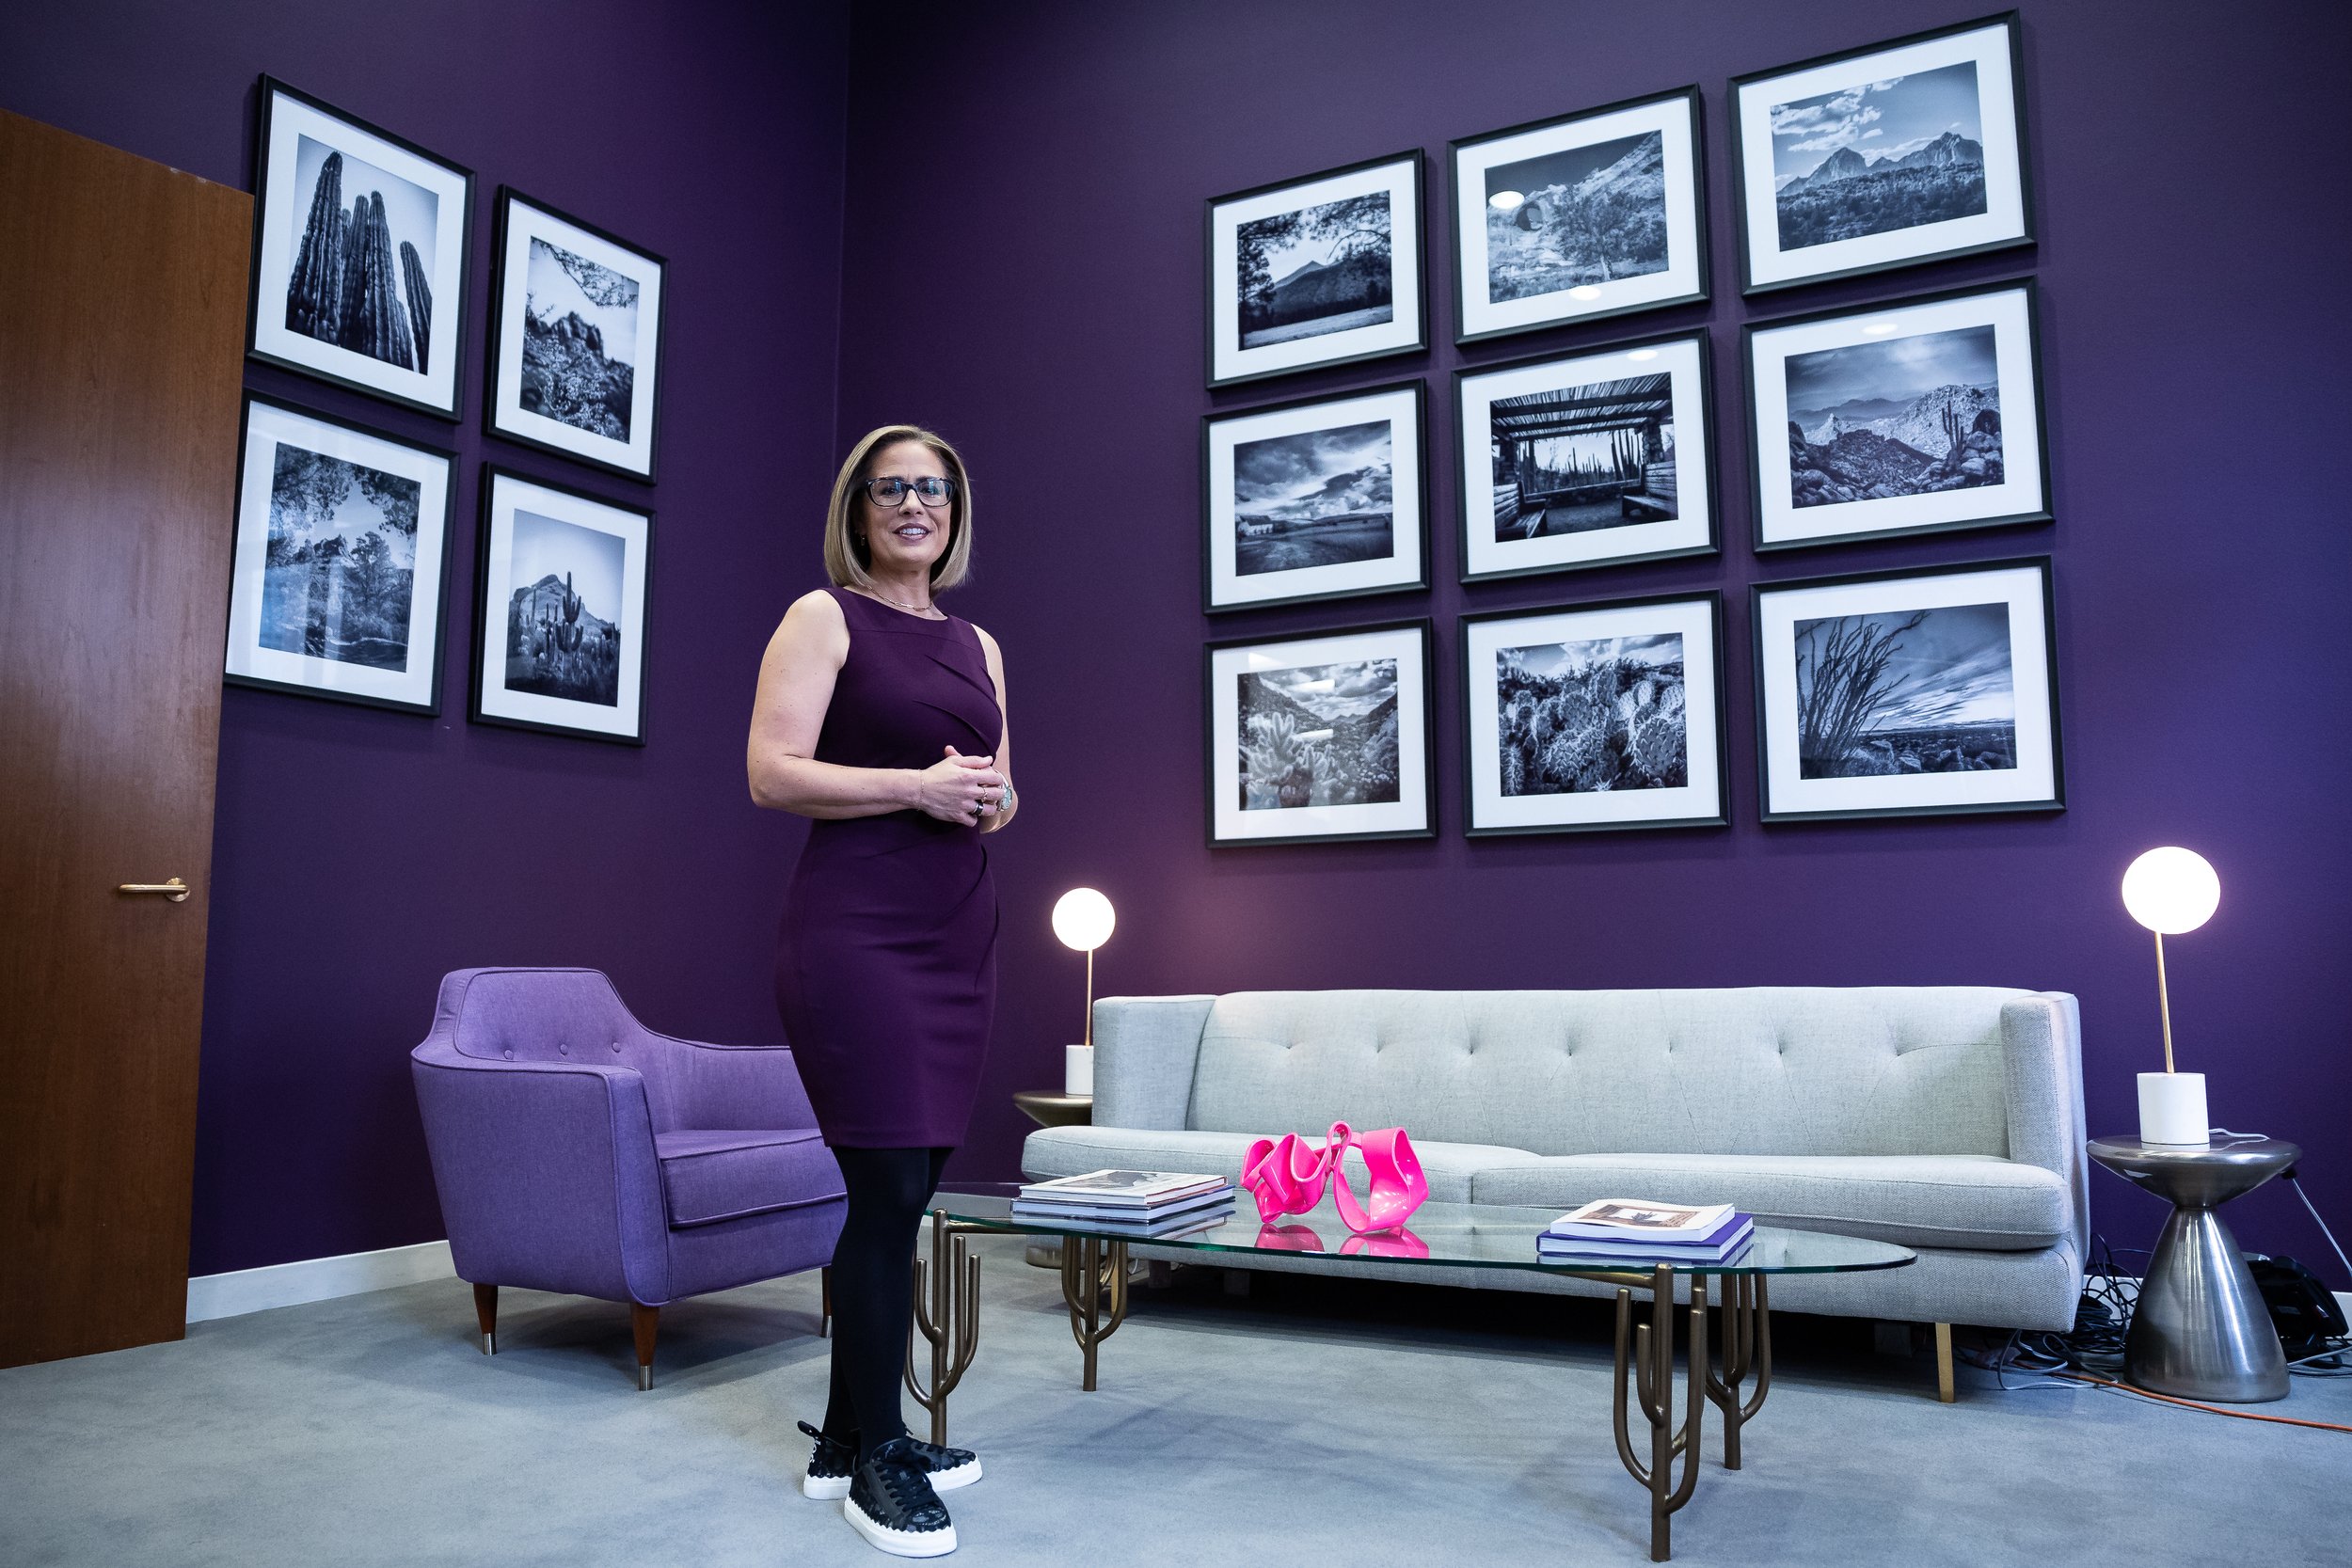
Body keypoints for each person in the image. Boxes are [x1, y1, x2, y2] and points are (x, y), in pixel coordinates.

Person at [747, 424, 1013, 1559]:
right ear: (858, 508)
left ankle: (841, 1437)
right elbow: (769, 772)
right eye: (891, 488)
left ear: (955, 509)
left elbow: (1003, 786)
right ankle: (877, 1463)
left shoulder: (978, 642)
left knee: (901, 1193)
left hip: (956, 936)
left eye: (933, 488)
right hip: (855, 933)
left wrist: (989, 802)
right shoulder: (823, 616)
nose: (914, 504)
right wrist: (914, 784)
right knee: (885, 1186)